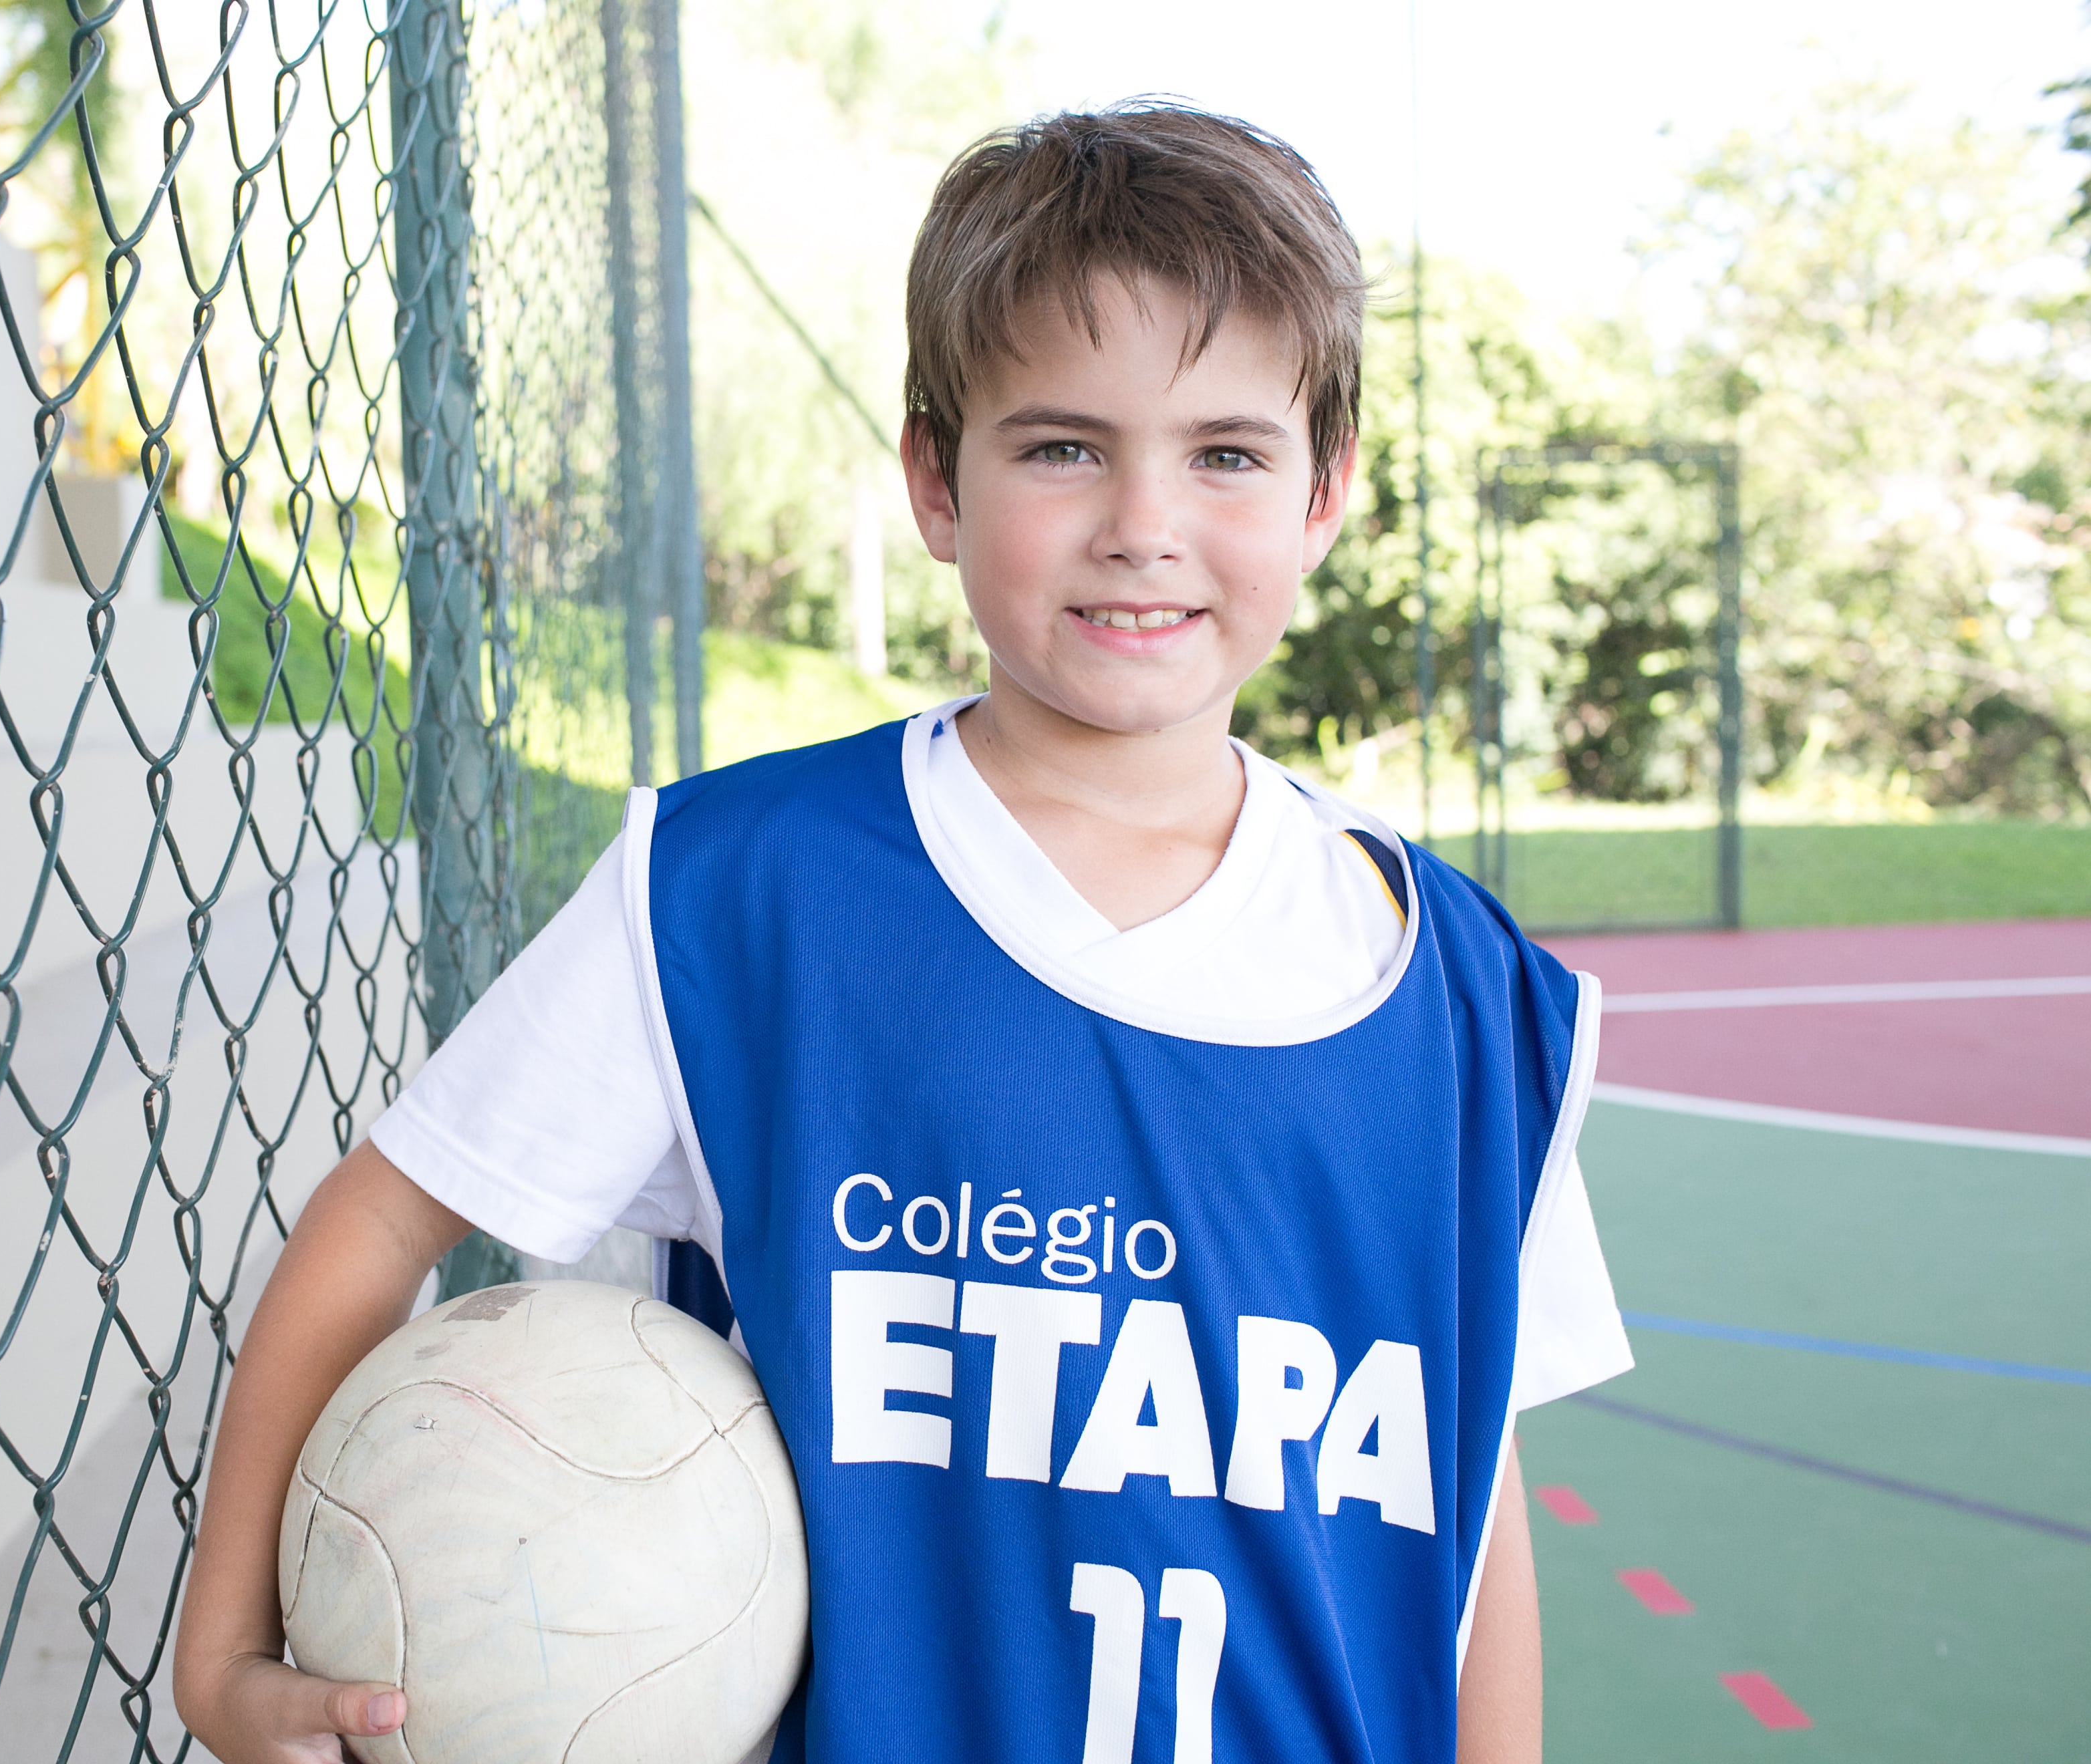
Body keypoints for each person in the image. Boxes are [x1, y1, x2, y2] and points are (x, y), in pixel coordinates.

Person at [171, 102, 1631, 1764]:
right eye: (1064, 445)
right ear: (939, 480)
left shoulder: (1470, 1004)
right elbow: (379, 1221)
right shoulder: (740, 897)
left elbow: (1471, 1511)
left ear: (1324, 495)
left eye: (1227, 453)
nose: (1143, 522)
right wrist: (221, 1649)